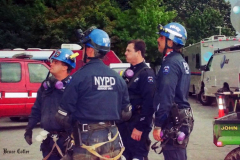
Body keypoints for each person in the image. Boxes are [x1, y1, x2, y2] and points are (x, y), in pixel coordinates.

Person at [55, 27, 132, 160]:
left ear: (90, 50)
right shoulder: (118, 79)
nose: (83, 51)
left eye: (84, 47)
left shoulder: (78, 77)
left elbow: (62, 116)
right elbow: (126, 113)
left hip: (86, 142)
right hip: (112, 140)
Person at [24, 48, 78, 160]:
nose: (51, 64)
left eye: (55, 62)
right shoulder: (46, 86)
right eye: (52, 61)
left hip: (67, 142)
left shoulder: (74, 87)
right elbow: (37, 109)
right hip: (48, 141)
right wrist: (29, 129)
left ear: (65, 66)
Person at [152, 22, 194, 160]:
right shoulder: (180, 61)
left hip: (173, 122)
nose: (158, 40)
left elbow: (166, 95)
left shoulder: (169, 64)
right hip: (180, 122)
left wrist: (158, 124)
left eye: (161, 37)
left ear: (170, 41)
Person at [117, 39, 156, 160]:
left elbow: (149, 103)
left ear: (138, 53)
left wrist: (140, 127)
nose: (125, 53)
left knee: (137, 156)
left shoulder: (146, 73)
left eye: (128, 50)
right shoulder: (129, 72)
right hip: (125, 124)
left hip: (137, 124)